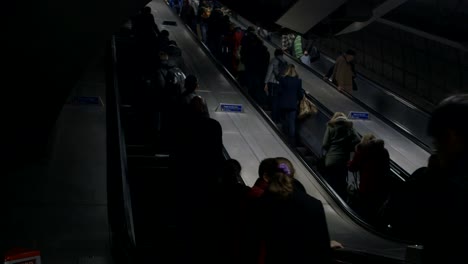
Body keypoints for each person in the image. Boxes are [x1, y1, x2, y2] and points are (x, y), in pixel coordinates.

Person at [322, 112, 360, 200]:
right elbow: (358, 139)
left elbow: (324, 144)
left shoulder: (331, 126)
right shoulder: (349, 127)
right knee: (341, 183)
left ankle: (328, 200)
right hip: (343, 161)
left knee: (330, 182)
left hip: (330, 160)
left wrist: (330, 149)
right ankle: (341, 202)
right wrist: (349, 146)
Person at [277, 64, 304, 146]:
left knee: (285, 120)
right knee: (292, 122)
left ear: (287, 70)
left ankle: (284, 135)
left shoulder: (283, 79)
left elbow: (279, 91)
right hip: (293, 104)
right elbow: (300, 94)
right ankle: (291, 140)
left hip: (283, 104)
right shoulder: (298, 81)